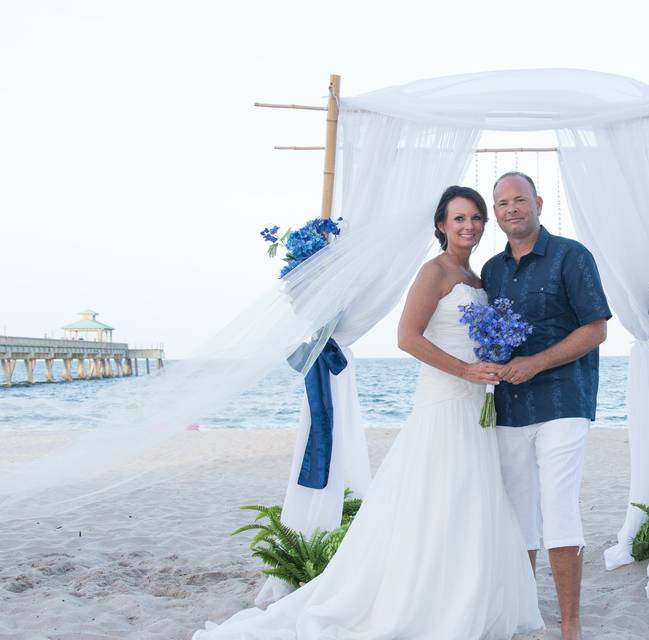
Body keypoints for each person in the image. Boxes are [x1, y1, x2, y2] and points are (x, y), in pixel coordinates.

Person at [193, 186, 543, 640]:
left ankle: (464, 597)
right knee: (439, 499)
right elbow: (408, 338)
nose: (469, 226)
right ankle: (427, 605)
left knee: (470, 501)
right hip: (444, 401)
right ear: (441, 225)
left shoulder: (477, 278)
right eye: (459, 218)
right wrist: (465, 369)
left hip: (478, 402)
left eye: (476, 217)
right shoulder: (433, 272)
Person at [482, 172, 611, 640]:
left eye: (519, 200)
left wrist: (536, 362)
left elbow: (595, 328)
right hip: (510, 407)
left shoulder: (572, 256)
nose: (511, 209)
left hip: (564, 400)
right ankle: (523, 612)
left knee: (558, 508)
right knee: (519, 515)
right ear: (495, 212)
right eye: (502, 203)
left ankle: (571, 625)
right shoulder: (492, 271)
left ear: (538, 202)